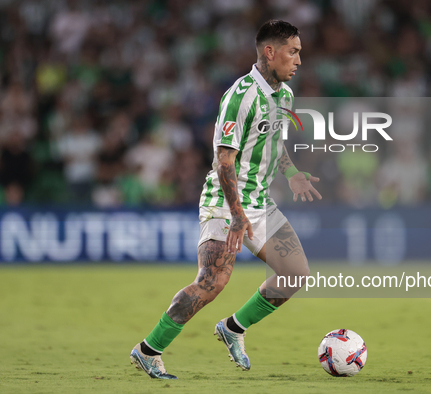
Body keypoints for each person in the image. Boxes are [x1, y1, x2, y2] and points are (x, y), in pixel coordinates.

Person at [130, 20, 321, 379]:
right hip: (224, 201)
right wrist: (236, 214)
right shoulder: (241, 96)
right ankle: (148, 350)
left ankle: (233, 328)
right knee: (212, 282)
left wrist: (292, 173)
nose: (298, 60)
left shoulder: (285, 95)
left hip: (259, 201)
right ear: (270, 51)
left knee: (295, 274)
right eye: (293, 52)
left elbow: (274, 147)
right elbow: (224, 160)